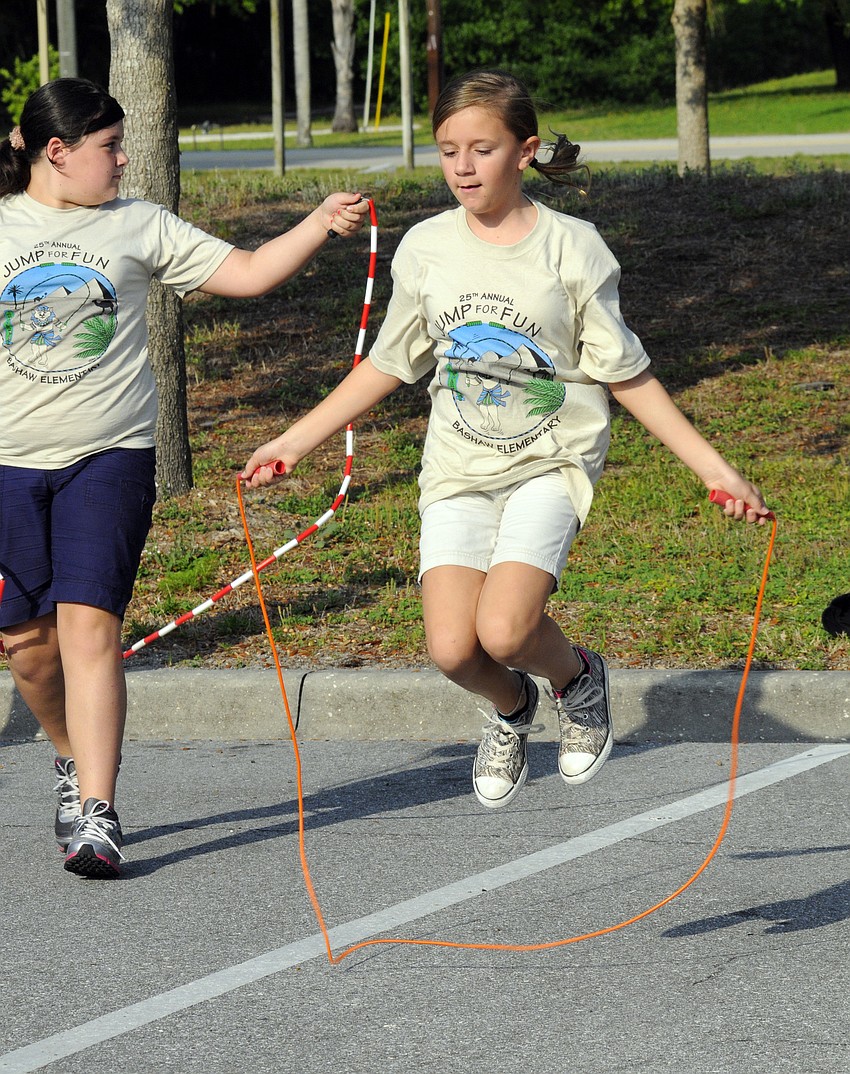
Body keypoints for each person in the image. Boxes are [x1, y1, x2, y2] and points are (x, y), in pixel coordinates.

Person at [242, 68, 770, 811]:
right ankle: (514, 710)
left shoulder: (574, 248)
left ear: (524, 152)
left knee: (507, 626)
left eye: (481, 149)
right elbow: (391, 363)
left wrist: (718, 471)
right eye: (448, 149)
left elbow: (630, 376)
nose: (462, 165)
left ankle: (577, 679)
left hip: (551, 463)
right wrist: (295, 441)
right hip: (458, 468)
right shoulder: (426, 248)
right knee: (454, 649)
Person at [0, 77, 368, 878]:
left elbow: (248, 272)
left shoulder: (138, 224)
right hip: (7, 467)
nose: (125, 159)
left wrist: (315, 222)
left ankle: (98, 812)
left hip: (110, 456)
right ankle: (68, 759)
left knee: (87, 624)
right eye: (109, 147)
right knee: (26, 645)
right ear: (57, 153)